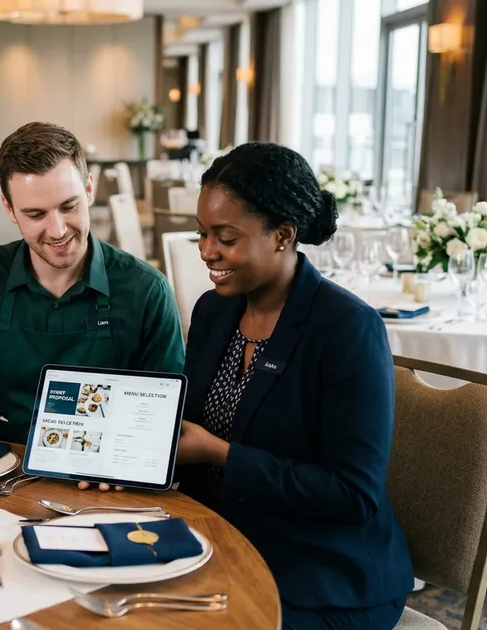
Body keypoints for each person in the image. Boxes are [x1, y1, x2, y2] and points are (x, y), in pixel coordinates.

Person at [174, 143, 413, 629]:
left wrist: (220, 454)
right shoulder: (214, 310)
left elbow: (352, 494)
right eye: (201, 234)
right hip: (223, 540)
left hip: (323, 572)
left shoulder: (347, 328)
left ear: (283, 235)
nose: (206, 252)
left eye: (225, 237)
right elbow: (188, 429)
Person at [0, 122, 185, 452]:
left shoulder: (147, 290)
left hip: (109, 471)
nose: (57, 230)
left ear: (89, 189)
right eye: (36, 214)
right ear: (9, 209)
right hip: (9, 463)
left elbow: (166, 414)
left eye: (68, 206)